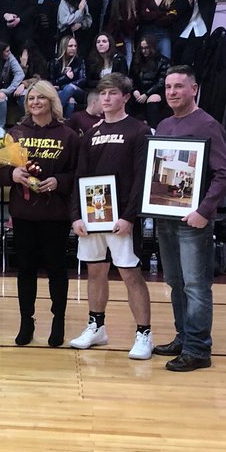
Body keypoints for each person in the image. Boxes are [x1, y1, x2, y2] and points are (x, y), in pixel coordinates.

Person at [154, 66, 226, 371]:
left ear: (194, 89)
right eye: (168, 87)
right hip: (166, 218)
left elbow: (224, 174)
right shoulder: (163, 124)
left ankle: (199, 349)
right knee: (175, 282)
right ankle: (184, 336)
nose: (172, 92)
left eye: (178, 87)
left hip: (193, 221)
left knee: (196, 286)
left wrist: (203, 211)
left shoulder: (208, 124)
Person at [70, 75, 153, 360]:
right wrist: (77, 215)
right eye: (102, 93)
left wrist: (130, 216)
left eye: (112, 93)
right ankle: (96, 326)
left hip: (122, 217)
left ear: (126, 97)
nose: (105, 98)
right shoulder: (91, 134)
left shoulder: (139, 131)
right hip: (93, 215)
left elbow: (142, 179)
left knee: (130, 273)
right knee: (95, 271)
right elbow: (80, 176)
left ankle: (144, 333)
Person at [8, 79, 80, 347]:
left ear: (52, 101)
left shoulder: (68, 135)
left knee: (56, 270)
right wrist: (12, 173)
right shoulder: (15, 133)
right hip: (24, 213)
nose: (35, 102)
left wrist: (59, 181)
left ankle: (58, 320)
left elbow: (77, 173)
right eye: (30, 99)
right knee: (25, 270)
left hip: (54, 215)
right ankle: (27, 322)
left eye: (40, 98)